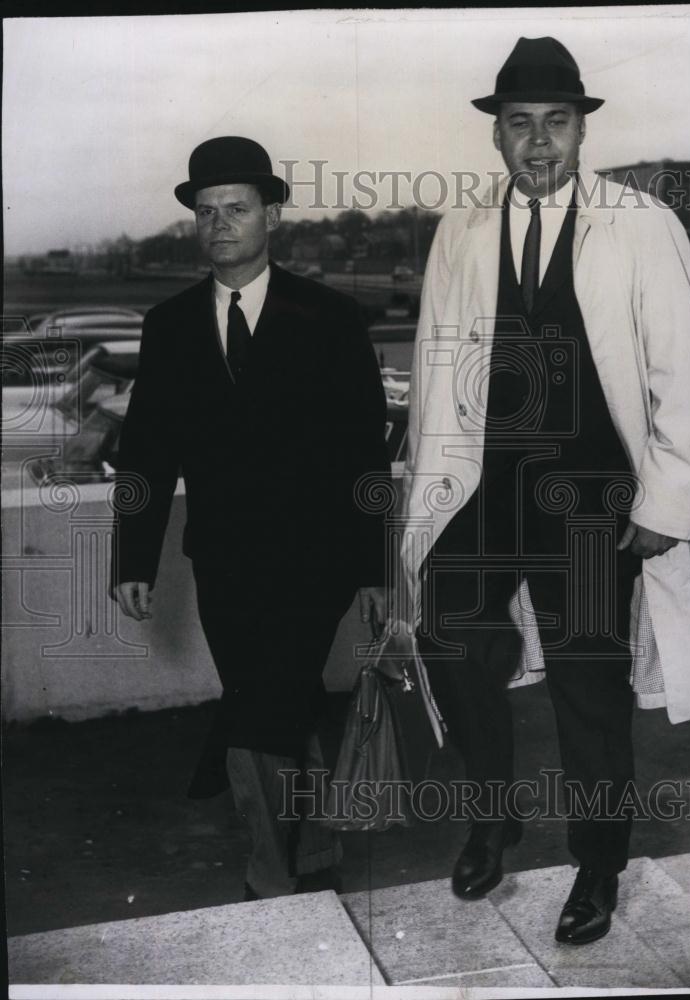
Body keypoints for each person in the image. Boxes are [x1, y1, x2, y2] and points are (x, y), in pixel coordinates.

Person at [398, 37, 690, 944]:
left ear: (581, 131)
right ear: (495, 137)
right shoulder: (459, 229)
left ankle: (598, 867)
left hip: (589, 501)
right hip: (480, 490)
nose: (537, 143)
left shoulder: (639, 222)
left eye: (555, 124)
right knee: (451, 646)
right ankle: (493, 815)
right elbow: (431, 366)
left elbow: (678, 375)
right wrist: (424, 492)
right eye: (519, 125)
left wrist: (664, 504)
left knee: (588, 686)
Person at [111, 135, 390, 900]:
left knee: (262, 698)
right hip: (225, 561)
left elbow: (366, 456)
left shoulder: (330, 317)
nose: (219, 224)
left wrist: (374, 569)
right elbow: (145, 454)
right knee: (278, 695)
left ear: (271, 213)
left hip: (318, 560)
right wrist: (132, 560)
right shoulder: (168, 326)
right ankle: (314, 847)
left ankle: (268, 868)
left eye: (236, 208)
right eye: (206, 213)